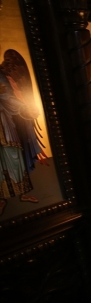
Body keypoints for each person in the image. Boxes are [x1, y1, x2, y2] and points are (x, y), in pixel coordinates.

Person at [0, 49, 46, 215]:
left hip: (3, 122)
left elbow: (7, 97)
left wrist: (24, 108)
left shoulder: (2, 76)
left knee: (12, 155)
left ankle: (21, 192)